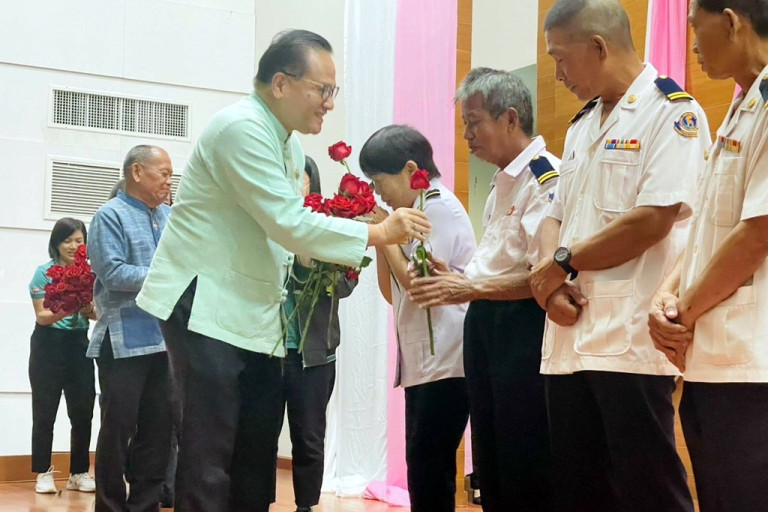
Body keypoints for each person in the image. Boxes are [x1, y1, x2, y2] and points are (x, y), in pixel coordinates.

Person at [134, 30, 430, 512]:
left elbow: (285, 238)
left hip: (254, 311)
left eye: (333, 91)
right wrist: (377, 233)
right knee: (210, 451)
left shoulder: (288, 146)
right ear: (280, 84)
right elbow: (288, 223)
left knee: (256, 449)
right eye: (323, 89)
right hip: (204, 304)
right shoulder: (240, 129)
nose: (329, 103)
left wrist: (333, 249)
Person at [529, 1, 711, 510]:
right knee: (579, 490)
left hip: (629, 341)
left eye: (561, 59)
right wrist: (548, 285)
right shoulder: (581, 125)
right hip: (568, 341)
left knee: (648, 490)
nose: (558, 74)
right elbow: (553, 215)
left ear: (598, 46)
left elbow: (653, 219)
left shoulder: (671, 113)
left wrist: (560, 264)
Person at [409, 68, 558, 512]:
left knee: (523, 451)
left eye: (474, 123)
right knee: (490, 451)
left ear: (510, 118)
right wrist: (456, 277)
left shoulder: (545, 178)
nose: (467, 136)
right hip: (487, 321)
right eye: (464, 125)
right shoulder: (500, 182)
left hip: (523, 324)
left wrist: (470, 285)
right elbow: (497, 259)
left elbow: (544, 276)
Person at [649, 1, 768, 510]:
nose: (693, 46)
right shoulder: (743, 108)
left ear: (732, 21)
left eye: (696, 29)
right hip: (712, 361)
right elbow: (706, 231)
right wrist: (665, 296)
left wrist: (683, 313)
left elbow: (758, 232)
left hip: (751, 367)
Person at [360, 124, 474, 512]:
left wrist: (384, 233)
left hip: (447, 360)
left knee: (430, 469)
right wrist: (380, 238)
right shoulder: (409, 214)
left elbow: (417, 285)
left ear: (411, 170)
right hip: (425, 363)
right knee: (422, 467)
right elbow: (392, 293)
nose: (378, 192)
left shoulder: (437, 208)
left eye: (380, 181)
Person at [87, 145, 174, 512]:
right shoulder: (109, 215)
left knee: (159, 431)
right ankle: (109, 505)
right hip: (122, 342)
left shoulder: (170, 216)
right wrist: (168, 276)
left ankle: (145, 505)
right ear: (137, 172)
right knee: (118, 429)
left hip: (167, 341)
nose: (169, 182)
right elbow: (113, 273)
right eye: (164, 174)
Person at [279, 155, 354, 512]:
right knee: (258, 435)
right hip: (267, 350)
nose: (296, 183)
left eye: (302, 177)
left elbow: (345, 286)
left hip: (314, 353)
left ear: (313, 183)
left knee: (309, 438)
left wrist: (314, 265)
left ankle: (305, 506)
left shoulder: (330, 226)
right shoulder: (268, 221)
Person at [28, 217, 97, 495]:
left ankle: (78, 472)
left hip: (78, 344)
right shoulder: (44, 273)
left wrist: (86, 306)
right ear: (56, 243)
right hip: (48, 345)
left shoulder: (89, 274)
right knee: (45, 412)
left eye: (79, 240)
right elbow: (42, 316)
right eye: (67, 240)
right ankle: (43, 472)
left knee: (82, 411)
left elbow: (96, 313)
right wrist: (70, 306)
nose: (73, 246)